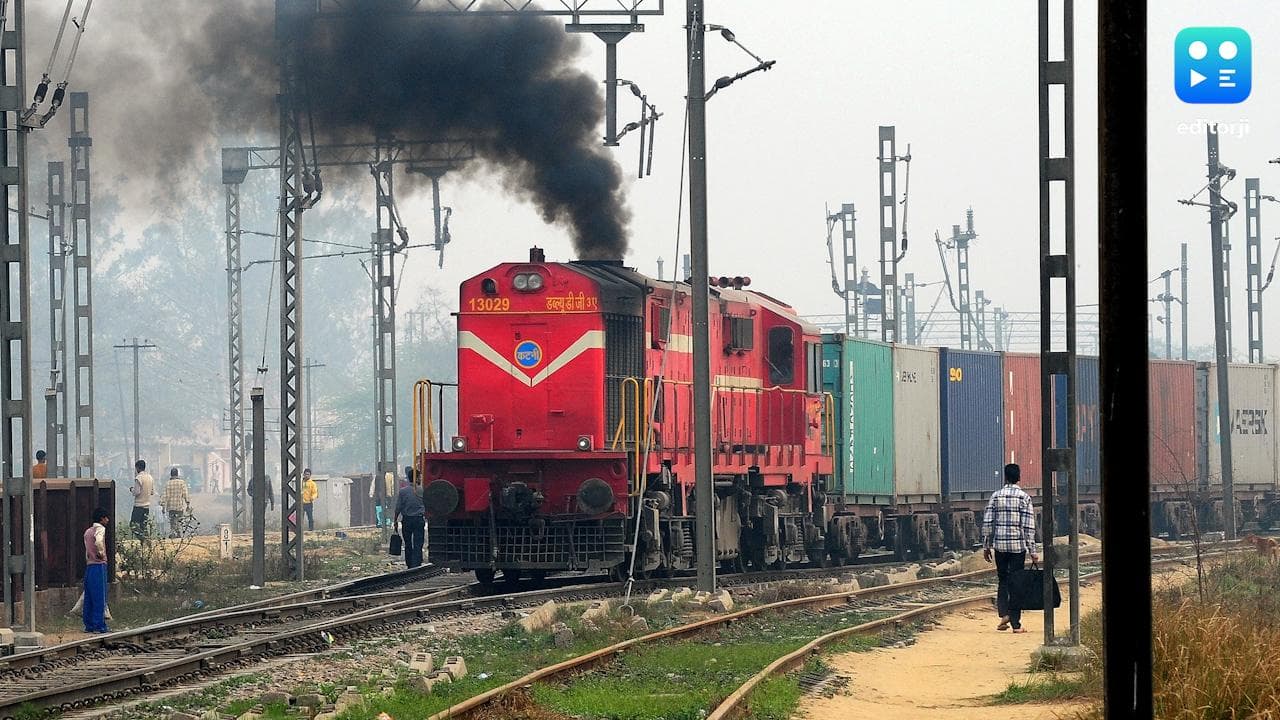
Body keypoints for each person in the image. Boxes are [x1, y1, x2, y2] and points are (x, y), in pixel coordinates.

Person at [982, 463, 1039, 634]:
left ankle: (1003, 614)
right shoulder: (1024, 498)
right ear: (1019, 477)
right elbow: (1028, 527)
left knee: (1003, 580)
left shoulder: (996, 496)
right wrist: (1033, 551)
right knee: (1016, 583)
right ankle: (1015, 623)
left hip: (1000, 546)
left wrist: (986, 546)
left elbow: (987, 522)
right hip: (1017, 548)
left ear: (1005, 477)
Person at [82, 507, 110, 633]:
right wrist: (101, 553)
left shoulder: (87, 531)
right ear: (101, 518)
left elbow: (87, 550)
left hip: (89, 565)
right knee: (100, 597)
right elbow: (98, 542)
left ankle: (89, 624)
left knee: (89, 597)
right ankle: (99, 625)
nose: (107, 520)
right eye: (106, 517)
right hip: (99, 565)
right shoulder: (100, 529)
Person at [394, 477, 426, 569]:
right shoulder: (422, 490)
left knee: (407, 542)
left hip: (407, 520)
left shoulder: (403, 491)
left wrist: (395, 520)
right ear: (417, 478)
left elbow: (398, 507)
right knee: (418, 543)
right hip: (419, 520)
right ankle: (417, 563)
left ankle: (409, 564)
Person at [161, 467, 190, 538]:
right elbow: (185, 494)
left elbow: (165, 496)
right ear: (177, 474)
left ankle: (173, 532)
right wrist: (187, 504)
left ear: (171, 475)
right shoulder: (182, 483)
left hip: (171, 507)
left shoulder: (168, 483)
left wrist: (163, 506)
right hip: (179, 506)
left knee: (172, 521)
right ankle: (178, 532)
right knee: (179, 521)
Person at [130, 459, 155, 538]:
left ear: (137, 468)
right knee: (143, 526)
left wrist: (131, 490)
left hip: (138, 506)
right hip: (147, 506)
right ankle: (147, 543)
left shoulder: (139, 478)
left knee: (133, 525)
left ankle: (142, 539)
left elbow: (136, 492)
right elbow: (152, 492)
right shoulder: (150, 477)